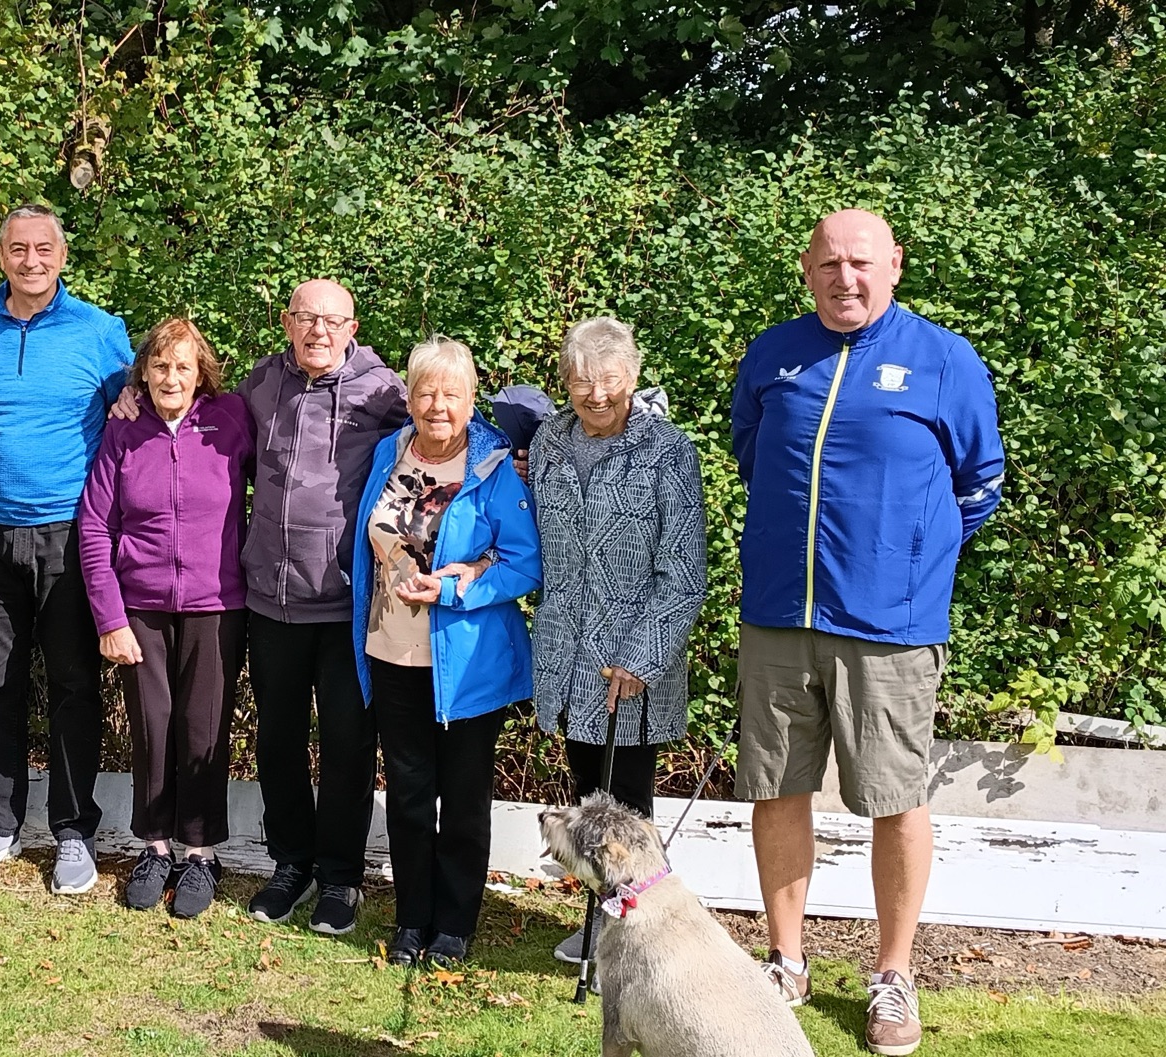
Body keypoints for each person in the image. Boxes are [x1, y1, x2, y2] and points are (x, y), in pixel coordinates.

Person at [733, 209, 1004, 1056]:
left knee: (896, 799)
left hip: (889, 627)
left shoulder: (944, 360)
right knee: (777, 788)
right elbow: (754, 456)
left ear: (893, 265)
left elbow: (979, 482)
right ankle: (785, 960)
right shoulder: (773, 353)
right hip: (779, 612)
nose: (845, 278)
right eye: (829, 263)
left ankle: (893, 973)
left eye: (861, 263)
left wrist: (904, 557)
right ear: (805, 268)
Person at [115, 278, 406, 932]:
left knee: (347, 745)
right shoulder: (260, 386)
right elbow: (190, 412)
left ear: (353, 324)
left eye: (332, 321)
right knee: (275, 743)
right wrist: (125, 390)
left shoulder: (383, 391)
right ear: (286, 322)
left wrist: (518, 451)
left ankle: (339, 876)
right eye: (306, 319)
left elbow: (444, 436)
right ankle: (291, 864)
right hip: (270, 604)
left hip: (345, 607)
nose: (319, 332)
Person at [0, 203, 134, 894]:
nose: (31, 261)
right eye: (18, 249)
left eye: (43, 248)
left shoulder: (100, 331)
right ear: (1, 256)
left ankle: (74, 831)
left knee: (74, 685)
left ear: (62, 254)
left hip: (70, 533)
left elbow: (127, 414)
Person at [351, 336, 542, 967]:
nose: (437, 405)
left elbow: (524, 564)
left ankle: (455, 923)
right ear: (408, 394)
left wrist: (455, 588)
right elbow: (374, 533)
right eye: (426, 391)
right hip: (391, 650)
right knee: (407, 795)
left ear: (470, 401)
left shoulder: (494, 467)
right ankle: (411, 920)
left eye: (451, 394)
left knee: (462, 799)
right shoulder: (389, 450)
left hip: (467, 664)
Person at [527, 316, 708, 963]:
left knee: (628, 814)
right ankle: (609, 926)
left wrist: (642, 656)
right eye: (582, 384)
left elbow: (684, 573)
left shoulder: (668, 450)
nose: (596, 396)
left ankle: (643, 936)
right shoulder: (549, 440)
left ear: (631, 377)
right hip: (567, 656)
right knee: (588, 801)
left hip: (629, 664)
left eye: (608, 382)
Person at [77, 318, 253, 919]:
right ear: (144, 373)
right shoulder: (123, 431)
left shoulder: (231, 421)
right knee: (152, 727)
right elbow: (95, 525)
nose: (171, 377)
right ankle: (154, 846)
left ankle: (201, 854)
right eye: (160, 366)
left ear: (200, 371)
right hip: (140, 609)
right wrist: (110, 616)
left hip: (217, 605)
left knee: (202, 728)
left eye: (183, 366)